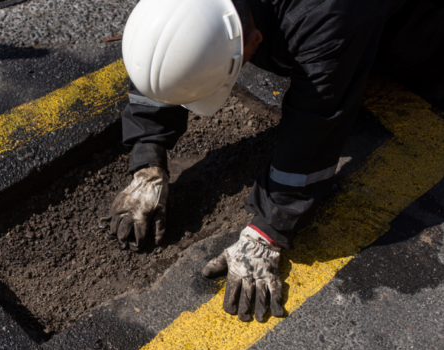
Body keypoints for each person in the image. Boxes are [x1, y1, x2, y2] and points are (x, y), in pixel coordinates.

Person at [100, 0, 444, 322]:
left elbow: (315, 122)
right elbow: (164, 46)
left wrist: (268, 230)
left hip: (417, 24)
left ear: (253, 39)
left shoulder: (325, 18)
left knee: (404, 59)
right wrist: (148, 158)